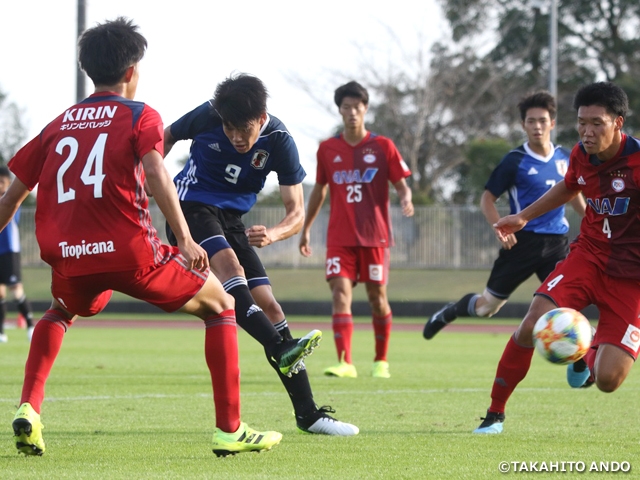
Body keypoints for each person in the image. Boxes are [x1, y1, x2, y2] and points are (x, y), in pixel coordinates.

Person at [6, 17, 314, 457]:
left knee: (58, 312)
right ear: (132, 71)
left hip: (69, 256)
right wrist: (185, 239)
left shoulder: (56, 125)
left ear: (86, 68)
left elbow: (11, 199)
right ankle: (230, 429)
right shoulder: (141, 114)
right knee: (222, 304)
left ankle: (29, 409)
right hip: (133, 253)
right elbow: (156, 172)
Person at [164, 73, 359, 436]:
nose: (236, 136)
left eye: (245, 129)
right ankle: (278, 347)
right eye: (229, 127)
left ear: (263, 116)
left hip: (232, 220)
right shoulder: (207, 114)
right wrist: (147, 175)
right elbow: (165, 136)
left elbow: (296, 211)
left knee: (271, 308)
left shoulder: (280, 141)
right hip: (190, 208)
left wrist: (274, 233)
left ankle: (308, 415)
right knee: (230, 267)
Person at [473, 81, 640, 434]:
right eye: (581, 122)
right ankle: (494, 414)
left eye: (597, 123)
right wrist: (522, 216)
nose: (587, 131)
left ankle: (588, 346)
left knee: (608, 379)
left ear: (618, 123)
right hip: (588, 257)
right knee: (533, 321)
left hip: (630, 279)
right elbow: (569, 185)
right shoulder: (580, 154)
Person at [423, 91, 586, 340]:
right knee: (487, 307)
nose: (537, 126)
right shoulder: (514, 161)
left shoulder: (566, 157)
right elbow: (486, 199)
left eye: (542, 120)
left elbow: (571, 192)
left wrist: (588, 220)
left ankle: (579, 364)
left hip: (556, 244)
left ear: (552, 123)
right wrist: (499, 228)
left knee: (567, 308)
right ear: (523, 125)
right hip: (521, 242)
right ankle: (451, 311)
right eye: (531, 121)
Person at [299, 80, 414, 379]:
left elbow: (401, 184)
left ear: (365, 109)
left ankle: (381, 361)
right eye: (346, 107)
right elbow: (319, 191)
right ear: (340, 110)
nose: (352, 112)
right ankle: (344, 362)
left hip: (375, 236)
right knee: (339, 293)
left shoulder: (383, 146)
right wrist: (306, 227)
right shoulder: (327, 149)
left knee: (378, 298)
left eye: (357, 107)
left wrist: (406, 198)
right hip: (339, 237)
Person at [0, 166, 35, 343]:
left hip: (10, 251)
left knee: (16, 292)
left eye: (2, 183)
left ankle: (30, 325)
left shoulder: (12, 200)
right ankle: (1, 332)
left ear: (8, 184)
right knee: (0, 293)